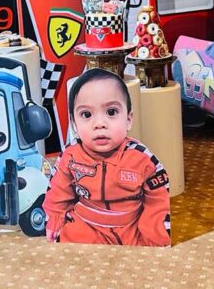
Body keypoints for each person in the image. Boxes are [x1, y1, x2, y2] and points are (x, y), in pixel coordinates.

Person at [43, 68, 171, 246]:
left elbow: (158, 202)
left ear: (128, 120)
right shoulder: (70, 155)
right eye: (86, 115)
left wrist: (156, 237)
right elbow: (57, 194)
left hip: (130, 227)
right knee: (66, 247)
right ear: (74, 124)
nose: (99, 124)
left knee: (144, 256)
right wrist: (55, 220)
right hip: (85, 225)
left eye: (111, 112)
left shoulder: (142, 159)